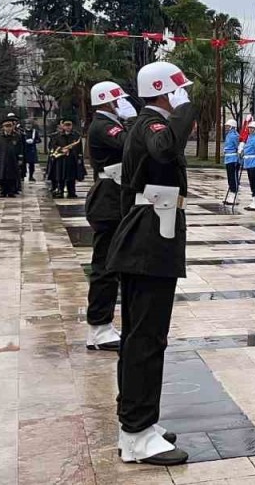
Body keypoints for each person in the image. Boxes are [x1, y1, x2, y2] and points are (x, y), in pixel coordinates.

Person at [105, 61, 196, 466]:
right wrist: (184, 110)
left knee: (145, 337)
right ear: (166, 92)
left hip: (151, 236)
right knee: (145, 339)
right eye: (178, 91)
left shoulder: (146, 123)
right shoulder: (150, 125)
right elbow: (165, 148)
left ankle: (138, 425)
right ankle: (137, 434)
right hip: (147, 240)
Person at [85, 80, 137, 352]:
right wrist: (131, 121)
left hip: (113, 196)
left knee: (110, 266)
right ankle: (98, 327)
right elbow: (130, 144)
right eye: (118, 101)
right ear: (108, 102)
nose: (121, 105)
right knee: (105, 267)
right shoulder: (105, 125)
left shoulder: (105, 123)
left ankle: (101, 325)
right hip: (108, 200)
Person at [0, 116, 26, 197]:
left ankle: (11, 191)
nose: (8, 128)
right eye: (6, 126)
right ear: (3, 127)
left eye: (10, 126)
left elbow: (20, 147)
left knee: (12, 175)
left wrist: (20, 158)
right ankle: (3, 191)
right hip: (1, 158)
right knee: (2, 175)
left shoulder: (17, 135)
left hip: (13, 159)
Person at [48, 118, 82, 198]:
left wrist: (79, 157)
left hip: (71, 159)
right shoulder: (57, 136)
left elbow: (79, 148)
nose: (68, 127)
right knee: (60, 176)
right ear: (63, 126)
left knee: (71, 177)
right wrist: (62, 150)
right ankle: (60, 190)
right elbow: (53, 146)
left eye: (69, 125)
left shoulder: (76, 135)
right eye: (66, 125)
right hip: (61, 159)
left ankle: (72, 191)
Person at [221, 119, 240, 205]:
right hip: (228, 158)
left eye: (228, 126)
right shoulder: (229, 135)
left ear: (232, 126)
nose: (226, 128)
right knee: (230, 178)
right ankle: (231, 194)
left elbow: (237, 147)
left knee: (233, 178)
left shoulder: (235, 135)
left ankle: (234, 195)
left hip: (233, 159)